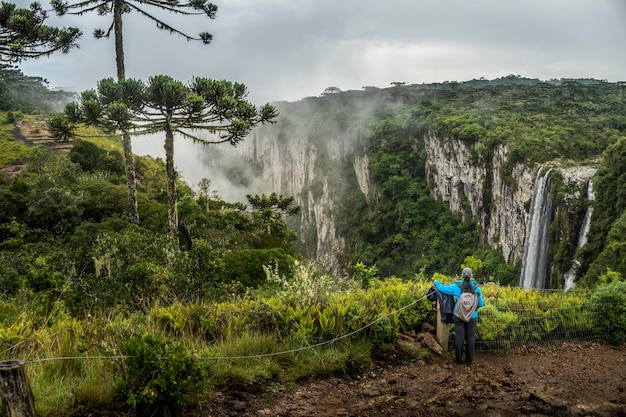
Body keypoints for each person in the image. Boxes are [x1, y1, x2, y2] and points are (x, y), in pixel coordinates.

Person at [433, 267, 485, 365]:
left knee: (459, 337)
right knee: (470, 337)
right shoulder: (477, 288)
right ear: (471, 276)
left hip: (459, 315)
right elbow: (481, 304)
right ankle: (469, 361)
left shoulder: (457, 286)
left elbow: (443, 289)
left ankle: (458, 359)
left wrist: (437, 282)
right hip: (472, 317)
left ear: (462, 276)